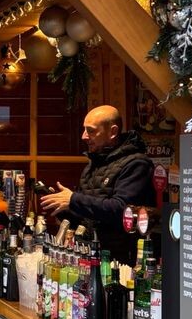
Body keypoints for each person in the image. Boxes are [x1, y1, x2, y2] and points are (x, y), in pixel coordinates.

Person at [39, 104, 155, 262]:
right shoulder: (94, 163)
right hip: (90, 253)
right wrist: (62, 205)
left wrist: (74, 200)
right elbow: (88, 217)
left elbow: (123, 210)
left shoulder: (137, 164)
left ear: (113, 132)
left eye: (91, 131)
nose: (84, 136)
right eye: (84, 130)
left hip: (121, 261)